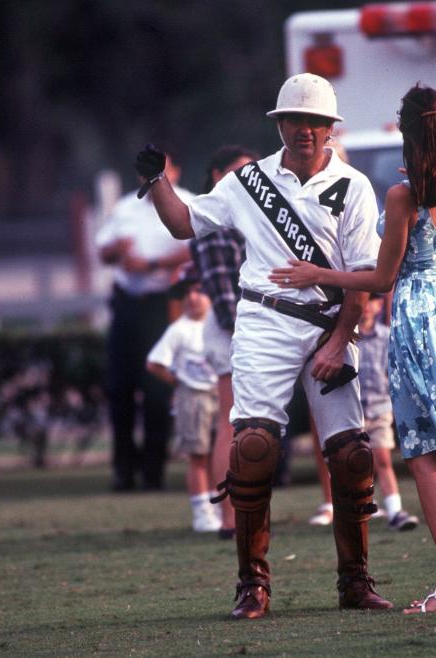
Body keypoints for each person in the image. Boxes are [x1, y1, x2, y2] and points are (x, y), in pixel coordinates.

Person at [138, 72, 393, 618]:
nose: (306, 131)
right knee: (252, 448)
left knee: (351, 455)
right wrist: (158, 180)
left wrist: (340, 339)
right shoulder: (246, 182)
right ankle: (251, 586)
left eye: (317, 122)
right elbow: (185, 224)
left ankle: (356, 581)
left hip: (330, 321)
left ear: (330, 129)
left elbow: (363, 275)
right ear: (280, 125)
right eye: (296, 121)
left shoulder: (354, 187)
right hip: (264, 320)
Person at [270, 84, 436, 614]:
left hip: (421, 313)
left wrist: (317, 273)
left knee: (423, 453)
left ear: (408, 135)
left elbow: (382, 278)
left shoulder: (405, 196)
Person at [95, 150, 193, 491]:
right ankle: (124, 469)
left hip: (163, 304)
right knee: (120, 389)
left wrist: (152, 265)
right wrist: (117, 252)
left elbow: (195, 249)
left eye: (161, 169)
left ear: (176, 171)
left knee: (156, 390)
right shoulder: (124, 208)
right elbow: (103, 251)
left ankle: (153, 470)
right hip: (126, 304)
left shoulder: (191, 204)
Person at [190, 145, 260, 540]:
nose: (248, 179)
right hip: (231, 330)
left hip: (240, 328)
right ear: (218, 175)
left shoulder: (235, 213)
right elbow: (222, 296)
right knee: (230, 422)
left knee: (238, 422)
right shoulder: (215, 219)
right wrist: (250, 335)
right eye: (238, 171)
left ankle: (237, 513)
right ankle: (230, 516)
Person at [146, 264, 222, 532]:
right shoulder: (180, 329)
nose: (193, 297)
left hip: (219, 394)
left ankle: (217, 505)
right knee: (197, 454)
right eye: (187, 292)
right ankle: (201, 510)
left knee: (217, 452)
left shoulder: (219, 322)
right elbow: (155, 363)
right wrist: (180, 381)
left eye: (200, 291)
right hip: (194, 397)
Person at [356, 294, 420, 531]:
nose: (367, 307)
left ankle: (395, 511)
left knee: (383, 458)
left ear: (380, 304)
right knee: (357, 464)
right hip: (355, 412)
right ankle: (358, 510)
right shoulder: (348, 338)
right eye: (363, 300)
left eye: (373, 300)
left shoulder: (386, 337)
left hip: (380, 409)